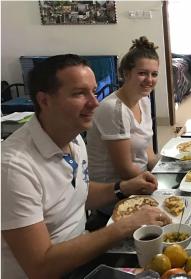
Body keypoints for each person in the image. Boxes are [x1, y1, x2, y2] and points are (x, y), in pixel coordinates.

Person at [1, 54, 171, 278]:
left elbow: (76, 193)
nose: (95, 102)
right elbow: (40, 266)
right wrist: (124, 226)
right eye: (79, 93)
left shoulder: (74, 138)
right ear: (44, 101)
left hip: (84, 252)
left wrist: (124, 187)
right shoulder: (13, 167)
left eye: (93, 91)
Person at [86, 37, 159, 223]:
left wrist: (167, 168)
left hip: (141, 183)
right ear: (126, 73)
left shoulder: (143, 100)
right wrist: (159, 185)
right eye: (142, 73)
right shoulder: (114, 109)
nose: (149, 80)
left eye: (154, 74)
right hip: (116, 198)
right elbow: (125, 170)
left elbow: (148, 152)